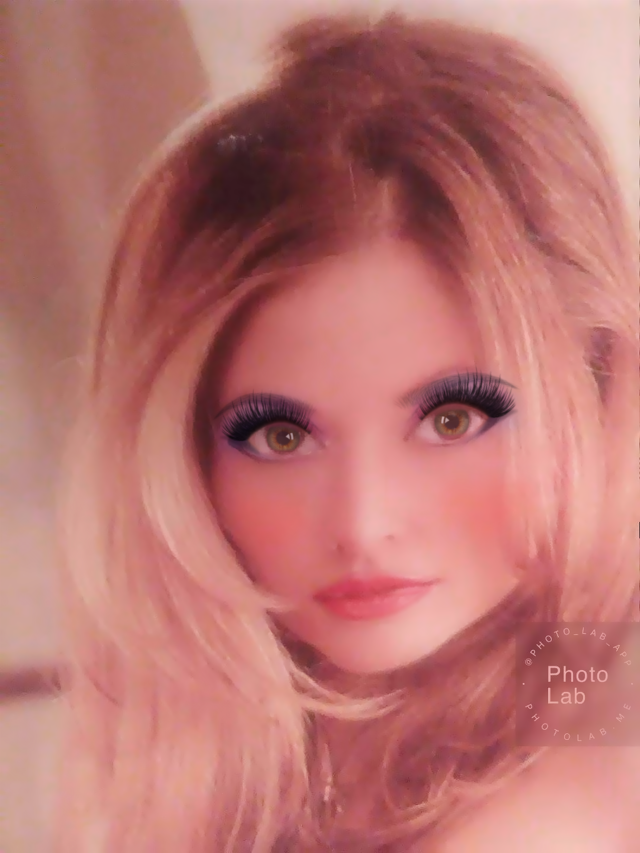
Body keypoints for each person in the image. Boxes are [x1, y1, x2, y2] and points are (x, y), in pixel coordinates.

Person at [56, 11, 638, 853]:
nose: (362, 524)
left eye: (453, 419)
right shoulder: (199, 742)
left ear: (599, 382)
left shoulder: (602, 697)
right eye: (280, 437)